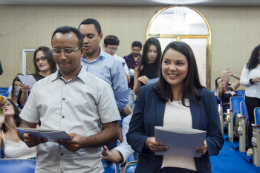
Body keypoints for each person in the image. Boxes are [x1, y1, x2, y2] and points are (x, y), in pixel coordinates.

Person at [17, 26, 121, 173]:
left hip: (85, 169)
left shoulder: (100, 87)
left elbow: (113, 131)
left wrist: (84, 142)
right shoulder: (40, 87)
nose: (62, 57)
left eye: (68, 50)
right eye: (57, 51)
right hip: (47, 168)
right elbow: (25, 124)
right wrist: (26, 136)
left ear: (82, 51)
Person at [127, 41, 224, 173]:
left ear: (190, 66)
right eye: (166, 62)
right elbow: (132, 135)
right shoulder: (147, 93)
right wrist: (148, 142)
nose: (171, 68)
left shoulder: (206, 96)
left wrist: (207, 145)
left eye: (179, 63)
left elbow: (217, 139)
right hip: (154, 168)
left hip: (195, 168)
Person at [78, 18, 129, 111]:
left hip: (104, 123)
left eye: (90, 36)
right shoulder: (73, 62)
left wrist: (105, 116)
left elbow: (122, 100)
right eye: (82, 37)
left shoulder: (114, 64)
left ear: (100, 37)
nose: (85, 41)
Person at [240, 44, 260, 156]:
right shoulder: (249, 66)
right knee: (253, 121)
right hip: (252, 96)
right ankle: (251, 146)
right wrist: (253, 80)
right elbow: (243, 81)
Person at [123, 41, 142, 109]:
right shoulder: (125, 59)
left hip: (140, 88)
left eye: (138, 50)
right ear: (131, 48)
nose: (135, 52)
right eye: (134, 50)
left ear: (141, 49)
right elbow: (123, 71)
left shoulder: (144, 60)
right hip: (128, 87)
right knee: (128, 107)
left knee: (138, 107)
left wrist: (131, 71)